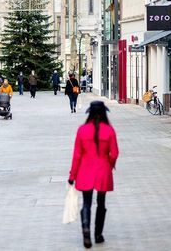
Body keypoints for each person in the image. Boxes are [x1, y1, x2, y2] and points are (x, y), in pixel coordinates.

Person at [68, 101, 119, 249]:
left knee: (86, 203)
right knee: (101, 203)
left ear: (89, 113)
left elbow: (77, 155)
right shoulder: (109, 130)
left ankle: (86, 228)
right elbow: (114, 153)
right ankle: (98, 234)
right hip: (103, 169)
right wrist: (109, 164)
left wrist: (72, 175)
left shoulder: (82, 130)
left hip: (85, 170)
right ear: (104, 113)